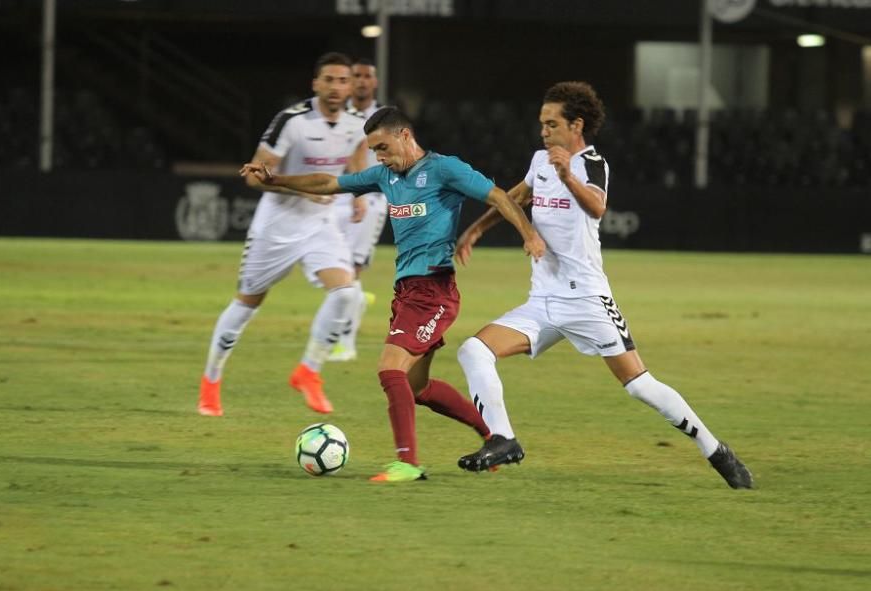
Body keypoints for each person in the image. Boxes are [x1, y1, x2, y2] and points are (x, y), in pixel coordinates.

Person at [452, 81, 753, 489]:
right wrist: (476, 230)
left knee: (640, 386)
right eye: (541, 123)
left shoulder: (593, 164)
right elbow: (514, 198)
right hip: (542, 301)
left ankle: (716, 451)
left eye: (551, 123)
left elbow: (597, 206)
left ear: (576, 125)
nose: (543, 130)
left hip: (587, 300)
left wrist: (566, 174)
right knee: (474, 351)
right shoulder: (540, 159)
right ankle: (503, 439)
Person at [241, 106, 546, 482]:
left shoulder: (444, 169)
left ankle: (407, 462)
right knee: (418, 387)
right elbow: (329, 184)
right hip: (407, 292)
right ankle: (495, 440)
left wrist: (529, 235)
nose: (380, 157)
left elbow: (499, 196)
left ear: (405, 136)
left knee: (390, 369)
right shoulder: (386, 176)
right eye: (375, 151)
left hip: (433, 290)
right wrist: (275, 179)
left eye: (383, 147)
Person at [197, 52, 366, 417]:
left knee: (347, 293)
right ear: (315, 84)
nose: (336, 87)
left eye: (343, 81)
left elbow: (353, 156)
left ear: (351, 86)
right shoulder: (291, 121)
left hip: (322, 224)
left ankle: (309, 372)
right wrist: (301, 191)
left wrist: (357, 193)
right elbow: (254, 175)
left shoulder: (356, 123)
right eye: (329, 80)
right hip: (278, 226)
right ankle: (211, 382)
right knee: (246, 304)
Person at [328, 58, 387, 362]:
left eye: (367, 76)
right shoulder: (338, 115)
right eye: (357, 76)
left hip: (371, 199)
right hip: (337, 197)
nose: (362, 81)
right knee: (332, 266)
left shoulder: (384, 118)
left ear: (374, 82)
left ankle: (345, 343)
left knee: (351, 269)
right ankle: (358, 301)